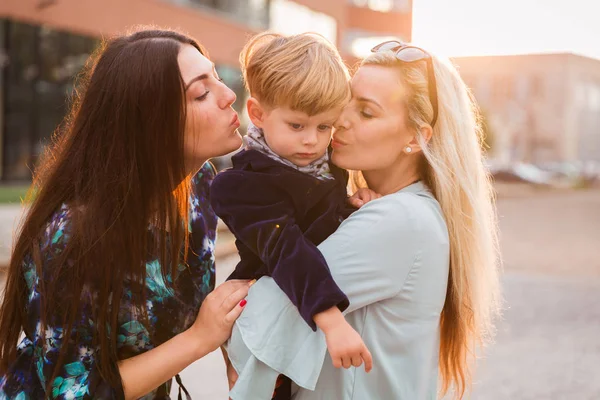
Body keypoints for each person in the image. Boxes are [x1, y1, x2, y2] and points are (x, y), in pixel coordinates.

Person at [226, 40, 501, 400]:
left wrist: (226, 301)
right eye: (345, 105)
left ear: (417, 138)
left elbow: (254, 324)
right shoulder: (391, 209)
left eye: (367, 113)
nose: (341, 120)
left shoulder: (398, 219)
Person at [0, 29, 252, 399]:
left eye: (216, 77)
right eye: (202, 92)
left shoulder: (199, 189)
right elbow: (71, 392)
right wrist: (200, 339)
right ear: (151, 124)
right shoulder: (75, 236)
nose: (229, 95)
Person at [209, 32, 373, 399]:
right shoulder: (240, 185)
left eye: (324, 127)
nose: (312, 141)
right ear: (257, 114)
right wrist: (332, 322)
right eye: (297, 126)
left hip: (305, 308)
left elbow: (324, 221)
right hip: (265, 314)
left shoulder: (322, 167)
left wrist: (351, 205)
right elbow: (287, 247)